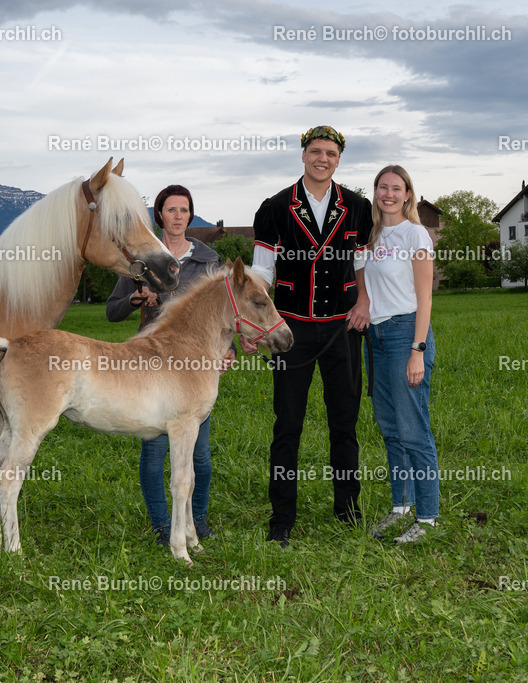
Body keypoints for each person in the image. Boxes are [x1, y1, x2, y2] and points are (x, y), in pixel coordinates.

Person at [245, 125, 372, 547]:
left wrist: (364, 303)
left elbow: (361, 265)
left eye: (331, 153)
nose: (323, 158)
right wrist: (254, 324)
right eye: (316, 151)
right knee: (288, 424)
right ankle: (281, 518)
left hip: (342, 326)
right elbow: (262, 273)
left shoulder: (357, 206)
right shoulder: (276, 207)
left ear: (339, 160)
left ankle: (348, 509)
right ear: (303, 155)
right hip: (292, 328)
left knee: (345, 422)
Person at [106, 184, 236, 547]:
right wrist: (134, 299)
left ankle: (196, 522)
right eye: (171, 210)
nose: (178, 216)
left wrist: (232, 351)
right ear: (159, 215)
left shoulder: (209, 261)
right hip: (152, 367)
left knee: (201, 456)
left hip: (196, 371)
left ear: (190, 215)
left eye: (184, 210)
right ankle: (163, 525)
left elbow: (229, 314)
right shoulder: (143, 258)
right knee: (154, 454)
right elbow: (111, 311)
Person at [351, 165, 438, 543]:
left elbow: (425, 297)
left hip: (406, 334)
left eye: (396, 188)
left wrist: (417, 350)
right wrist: (365, 303)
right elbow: (363, 285)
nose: (388, 194)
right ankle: (401, 508)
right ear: (376, 192)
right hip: (378, 337)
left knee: (413, 429)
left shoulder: (414, 233)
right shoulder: (370, 237)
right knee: (390, 429)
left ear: (407, 195)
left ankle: (429, 518)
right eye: (382, 187)